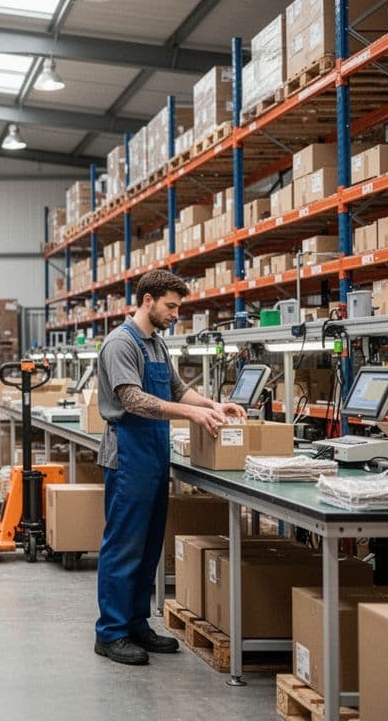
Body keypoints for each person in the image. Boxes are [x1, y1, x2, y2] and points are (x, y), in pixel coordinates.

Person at [92, 269, 246, 666]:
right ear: (148, 300)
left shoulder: (157, 344)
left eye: (178, 307)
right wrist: (190, 417)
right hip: (128, 456)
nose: (176, 314)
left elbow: (178, 390)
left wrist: (211, 405)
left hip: (154, 455)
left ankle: (136, 625)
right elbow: (133, 400)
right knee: (124, 545)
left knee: (148, 547)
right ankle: (110, 633)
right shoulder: (121, 344)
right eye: (171, 306)